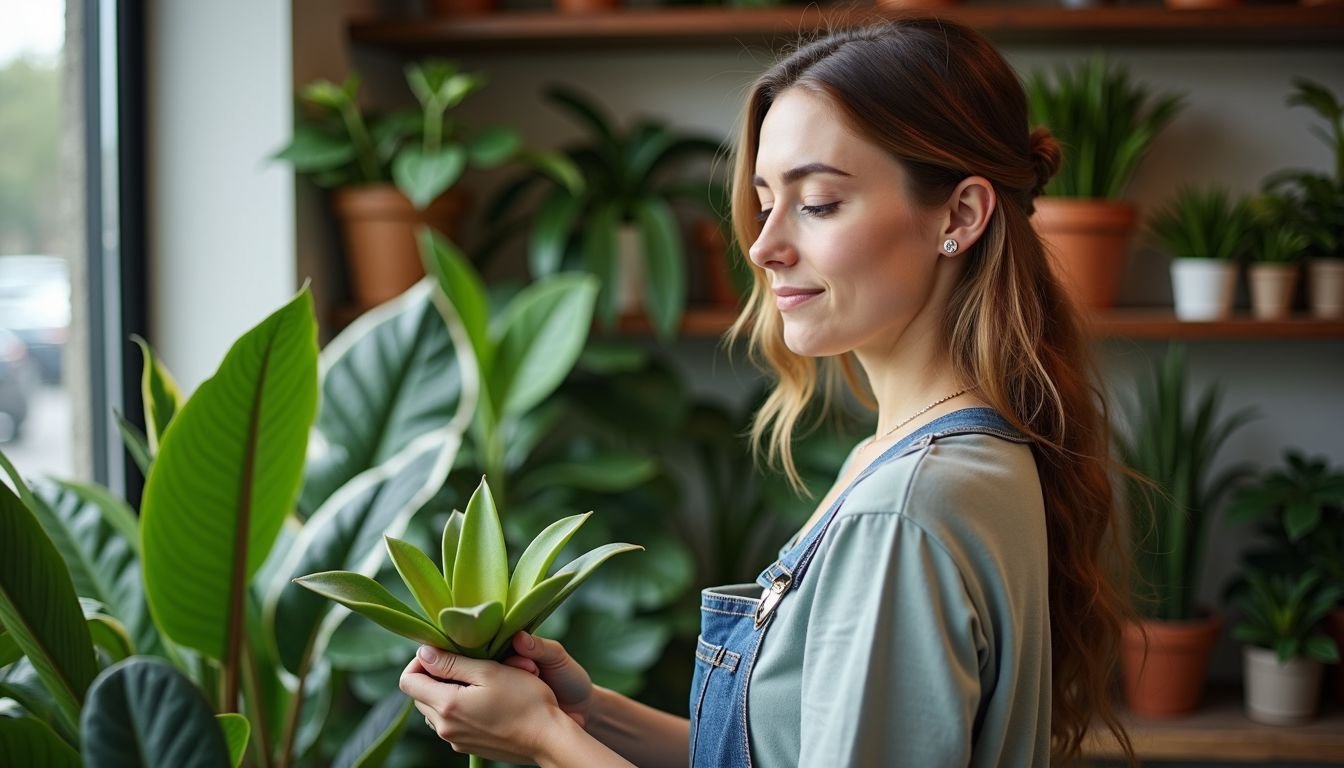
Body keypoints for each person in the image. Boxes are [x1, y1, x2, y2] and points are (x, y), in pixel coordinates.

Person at [400, 18, 1137, 768]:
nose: (762, 245)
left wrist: (544, 742)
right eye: (764, 200)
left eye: (816, 202)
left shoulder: (904, 509)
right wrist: (584, 715)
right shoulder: (927, 458)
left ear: (960, 214)